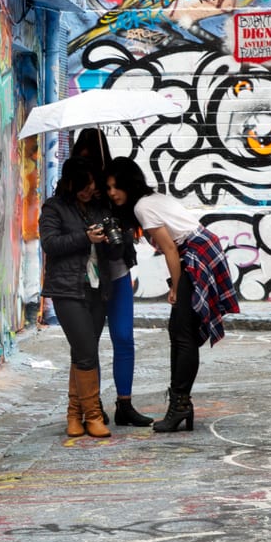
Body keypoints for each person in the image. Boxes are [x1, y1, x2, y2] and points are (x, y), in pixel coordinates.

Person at [103, 157, 240, 432]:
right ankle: (180, 403)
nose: (112, 193)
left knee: (183, 333)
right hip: (201, 247)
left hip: (195, 252)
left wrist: (175, 288)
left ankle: (180, 405)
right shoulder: (150, 199)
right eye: (108, 188)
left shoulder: (143, 207)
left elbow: (170, 250)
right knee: (179, 331)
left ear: (129, 185)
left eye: (116, 187)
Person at [73, 128, 153, 427]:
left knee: (123, 338)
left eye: (93, 159)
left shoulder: (112, 189)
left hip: (117, 273)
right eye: (83, 161)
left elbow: (131, 228)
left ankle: (124, 404)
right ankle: (90, 407)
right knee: (88, 344)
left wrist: (110, 205)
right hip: (88, 280)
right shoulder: (70, 193)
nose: (89, 166)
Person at [39, 157, 122, 438]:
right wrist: (85, 237)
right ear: (71, 182)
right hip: (67, 289)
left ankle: (74, 415)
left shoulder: (99, 208)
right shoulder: (54, 208)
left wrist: (113, 240)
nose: (89, 191)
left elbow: (111, 254)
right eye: (84, 186)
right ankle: (93, 417)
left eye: (92, 185)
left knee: (81, 351)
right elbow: (50, 243)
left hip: (98, 288)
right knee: (87, 351)